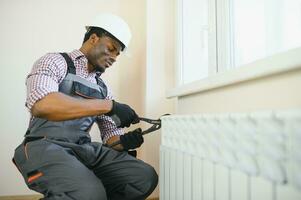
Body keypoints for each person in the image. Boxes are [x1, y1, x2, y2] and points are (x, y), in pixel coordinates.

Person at [13, 13, 158, 200]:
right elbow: (43, 104)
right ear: (93, 38)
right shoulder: (54, 62)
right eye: (112, 48)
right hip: (44, 145)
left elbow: (110, 139)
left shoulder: (103, 89)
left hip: (83, 149)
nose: (114, 57)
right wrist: (108, 106)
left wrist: (124, 142)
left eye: (118, 53)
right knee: (89, 194)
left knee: (143, 177)